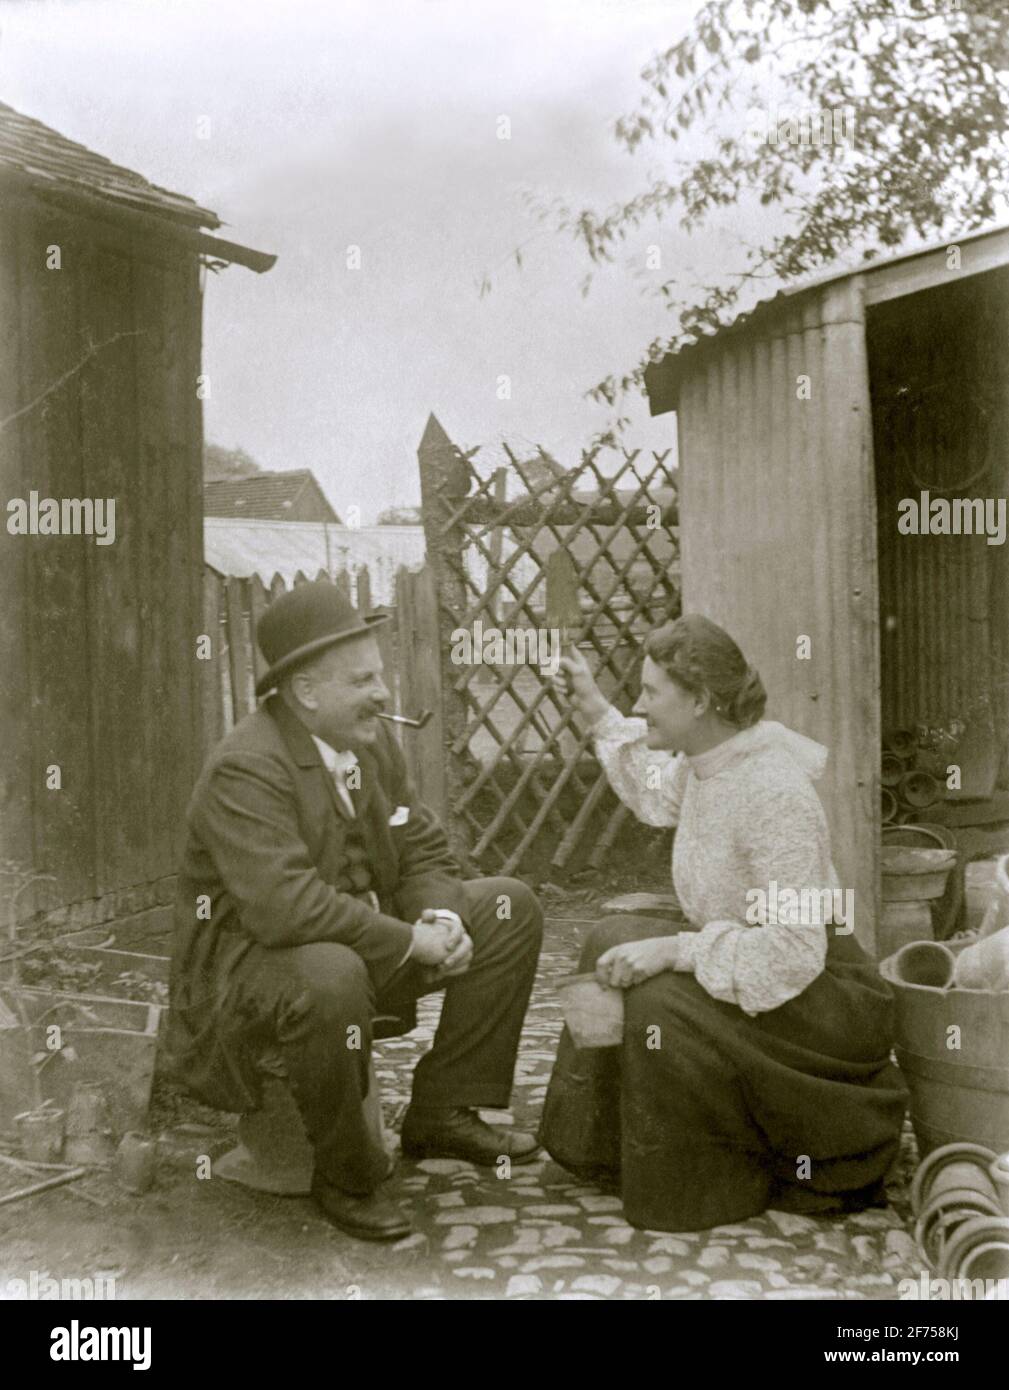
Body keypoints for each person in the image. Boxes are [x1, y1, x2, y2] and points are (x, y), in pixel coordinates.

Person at [167, 580, 543, 1242]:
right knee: (331, 973)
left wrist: (442, 919)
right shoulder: (246, 767)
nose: (383, 693)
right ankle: (344, 1175)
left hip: (350, 946)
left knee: (507, 907)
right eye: (363, 679)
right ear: (307, 692)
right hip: (246, 978)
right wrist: (407, 941)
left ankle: (441, 1112)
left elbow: (422, 844)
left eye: (380, 674)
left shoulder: (369, 744)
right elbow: (285, 910)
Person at [539, 614, 907, 1232]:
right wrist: (596, 709)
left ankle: (698, 1185)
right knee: (609, 942)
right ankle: (608, 1148)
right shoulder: (707, 762)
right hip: (759, 966)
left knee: (657, 1001)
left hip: (817, 1005)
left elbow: (793, 950)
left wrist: (677, 949)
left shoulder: (773, 792)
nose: (639, 704)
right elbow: (654, 789)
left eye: (651, 693)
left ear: (703, 700)